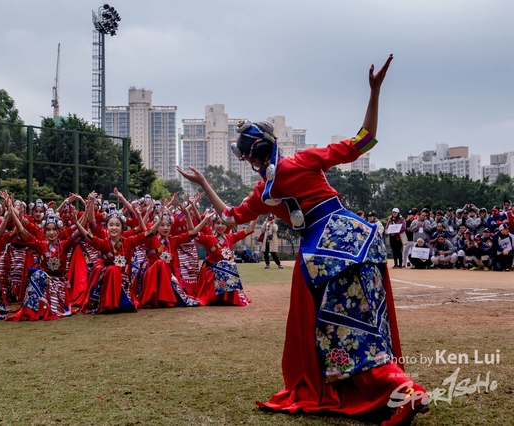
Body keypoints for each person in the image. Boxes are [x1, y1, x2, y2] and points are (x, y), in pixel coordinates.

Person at [177, 55, 428, 425]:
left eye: (247, 158)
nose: (249, 163)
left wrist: (203, 183)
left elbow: (228, 217)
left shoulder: (263, 193)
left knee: (340, 326)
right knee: (368, 321)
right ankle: (389, 387)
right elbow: (364, 140)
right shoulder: (304, 161)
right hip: (358, 239)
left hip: (322, 256)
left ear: (251, 157)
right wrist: (374, 92)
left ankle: (400, 389)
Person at [194, 214, 257, 306]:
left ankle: (228, 297)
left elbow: (249, 229)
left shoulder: (230, 238)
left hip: (227, 272)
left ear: (227, 226)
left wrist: (256, 214)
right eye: (217, 223)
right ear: (213, 225)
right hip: (213, 273)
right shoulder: (208, 239)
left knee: (229, 265)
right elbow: (193, 233)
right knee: (225, 265)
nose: (220, 226)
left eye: (223, 223)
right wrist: (204, 221)